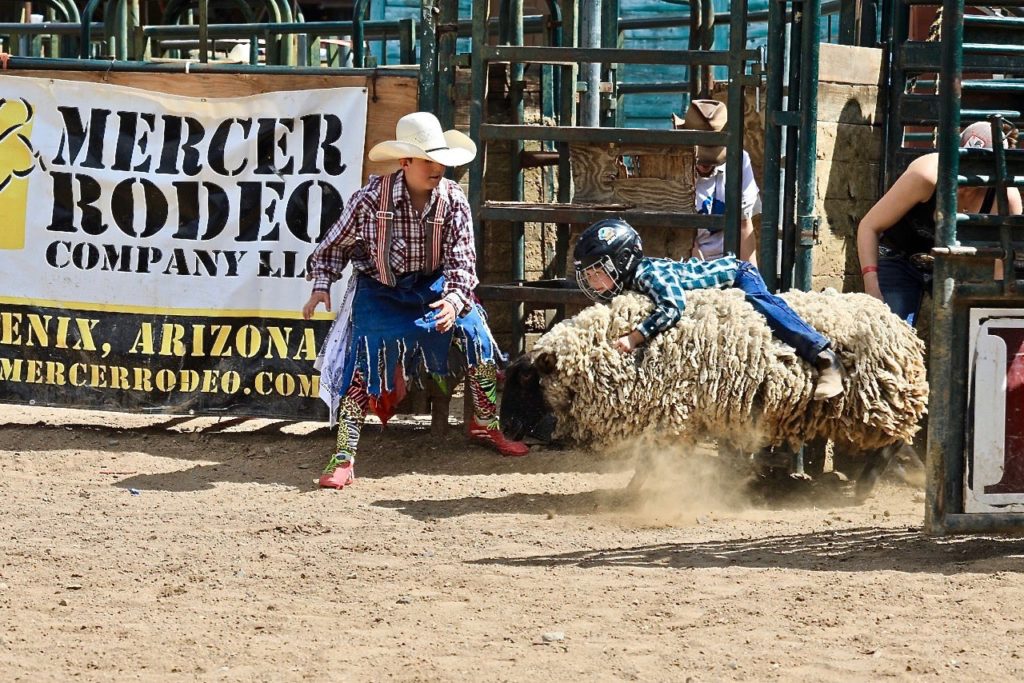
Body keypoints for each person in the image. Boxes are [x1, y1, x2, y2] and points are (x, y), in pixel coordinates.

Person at [303, 111, 528, 490]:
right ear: (405, 161)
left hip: (435, 287)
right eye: (427, 159)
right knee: (362, 355)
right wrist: (321, 284)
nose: (436, 167)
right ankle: (344, 454)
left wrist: (455, 300)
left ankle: (486, 424)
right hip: (380, 289)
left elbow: (463, 262)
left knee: (477, 337)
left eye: (439, 159)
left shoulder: (453, 200)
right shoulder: (370, 198)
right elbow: (333, 246)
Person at [573, 218, 844, 401]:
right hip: (717, 290)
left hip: (737, 276)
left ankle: (824, 357)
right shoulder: (629, 283)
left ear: (622, 261)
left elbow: (673, 306)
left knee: (763, 307)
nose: (592, 280)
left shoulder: (648, 275)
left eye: (597, 271)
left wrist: (635, 337)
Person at [857, 121, 1023, 325]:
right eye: (962, 163)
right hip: (899, 258)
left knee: (963, 333)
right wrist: (872, 288)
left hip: (953, 268)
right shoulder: (926, 175)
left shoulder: (1004, 197)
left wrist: (991, 311)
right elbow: (869, 226)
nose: (967, 179)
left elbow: (1002, 262)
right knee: (890, 329)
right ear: (954, 154)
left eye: (978, 171)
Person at [672, 99, 761, 264]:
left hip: (727, 259)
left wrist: (750, 274)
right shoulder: (671, 163)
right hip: (682, 257)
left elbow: (744, 224)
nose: (706, 162)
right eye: (702, 155)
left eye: (713, 153)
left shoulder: (739, 161)